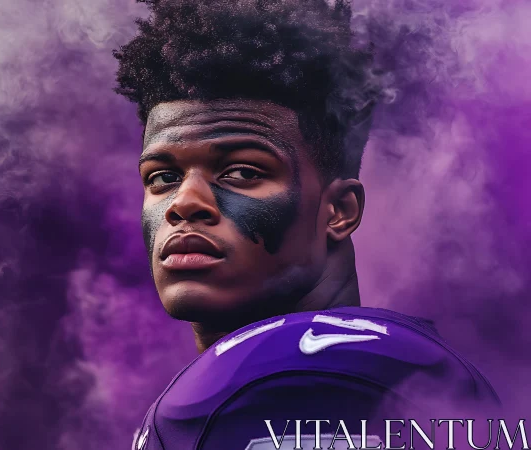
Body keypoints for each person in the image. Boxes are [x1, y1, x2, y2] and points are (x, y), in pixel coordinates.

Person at [111, 0, 500, 448]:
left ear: (339, 210)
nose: (184, 203)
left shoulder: (296, 374)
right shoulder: (370, 363)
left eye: (241, 172)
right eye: (163, 177)